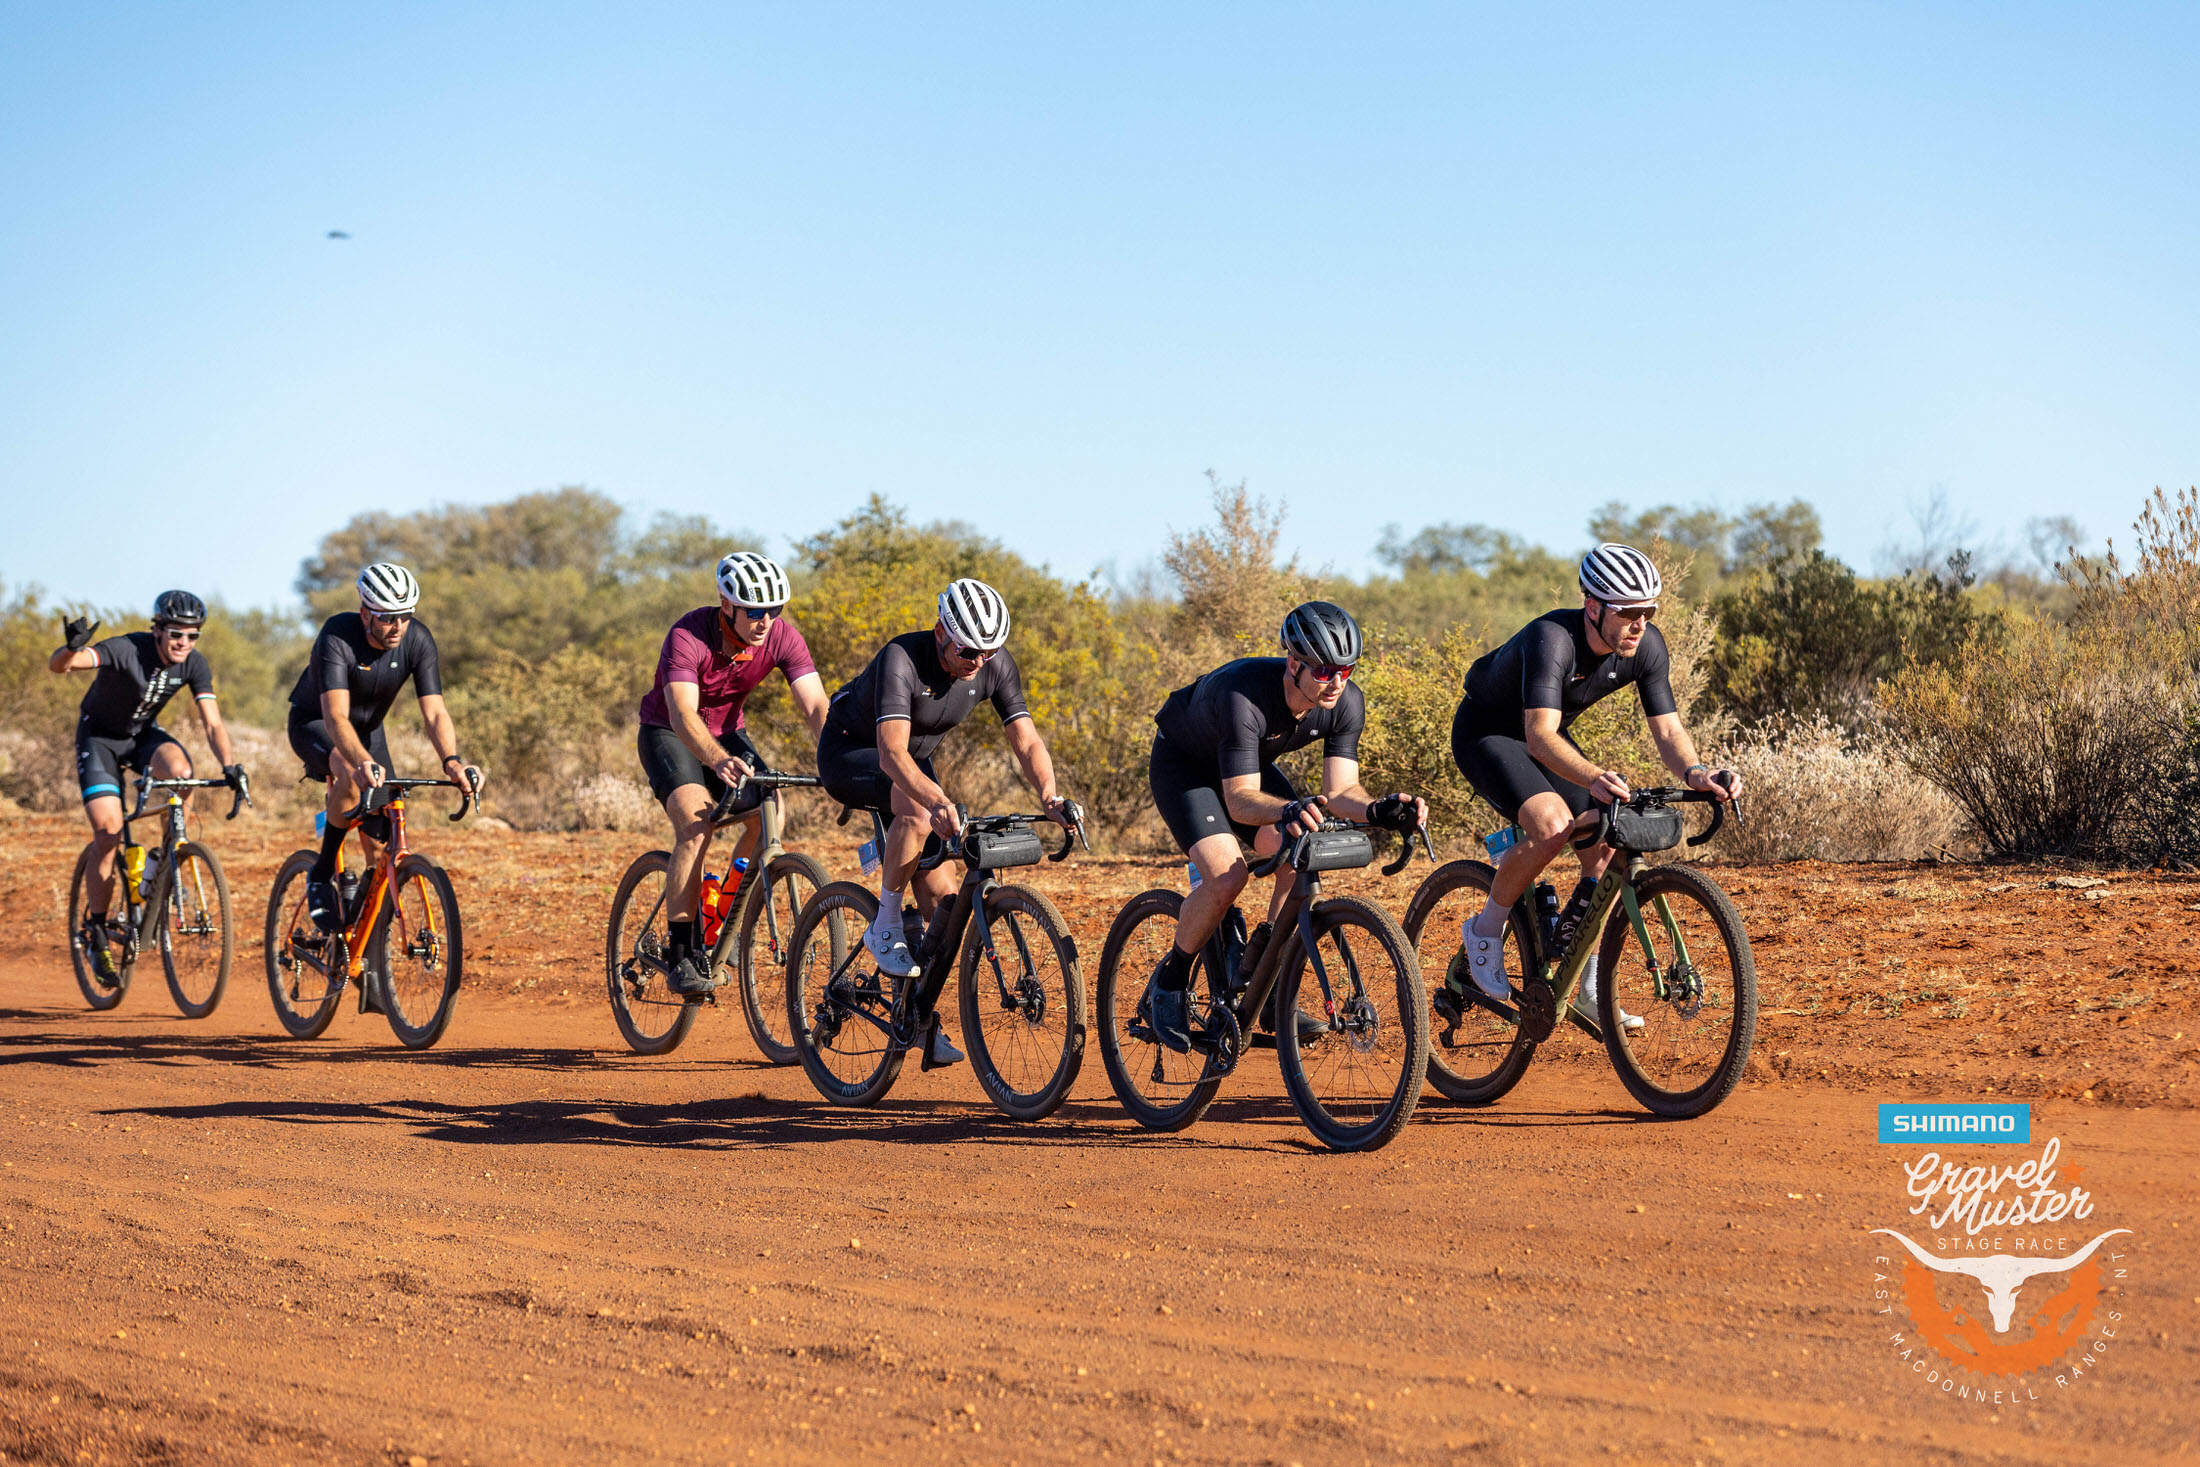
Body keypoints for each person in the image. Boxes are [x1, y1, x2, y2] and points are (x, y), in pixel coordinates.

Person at [1448, 543, 1741, 1028]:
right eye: (1628, 612)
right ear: (1593, 606)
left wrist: (1696, 773)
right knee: (1551, 824)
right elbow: (1539, 737)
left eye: (1648, 611)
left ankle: (1583, 987)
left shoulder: (1645, 647)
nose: (1640, 623)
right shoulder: (1553, 639)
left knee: (1606, 845)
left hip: (1543, 732)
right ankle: (1484, 931)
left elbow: (1667, 730)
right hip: (1488, 733)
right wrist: (1593, 776)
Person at [1142, 601, 1427, 1052]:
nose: (1335, 683)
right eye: (1323, 672)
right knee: (1227, 875)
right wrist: (1287, 810)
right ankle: (1170, 980)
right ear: (1293, 662)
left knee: (1300, 848)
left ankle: (1261, 975)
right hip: (1186, 766)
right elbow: (1238, 800)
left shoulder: (1345, 702)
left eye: (1346, 671)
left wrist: (1376, 810)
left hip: (1243, 766)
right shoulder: (1244, 696)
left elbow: (1340, 790)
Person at [814, 577, 1075, 1068]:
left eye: (989, 651)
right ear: (940, 632)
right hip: (853, 754)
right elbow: (891, 753)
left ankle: (917, 1017)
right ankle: (884, 924)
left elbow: (1027, 740)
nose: (978, 662)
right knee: (916, 811)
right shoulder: (902, 659)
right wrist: (936, 799)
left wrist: (1050, 794)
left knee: (944, 903)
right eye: (968, 651)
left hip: (912, 762)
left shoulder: (992, 664)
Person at [636, 552, 830, 996]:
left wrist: (836, 755)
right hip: (669, 732)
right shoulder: (689, 634)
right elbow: (683, 712)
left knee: (772, 816)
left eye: (774, 610)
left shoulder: (781, 637)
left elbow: (816, 706)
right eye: (755, 611)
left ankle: (725, 904)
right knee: (695, 823)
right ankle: (682, 951)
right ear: (727, 605)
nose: (766, 621)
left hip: (728, 731)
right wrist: (716, 759)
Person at [47, 590, 248, 985]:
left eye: (193, 637)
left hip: (142, 736)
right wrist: (69, 648)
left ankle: (161, 864)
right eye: (176, 634)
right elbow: (62, 667)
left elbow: (212, 723)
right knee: (109, 832)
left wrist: (230, 766)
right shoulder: (126, 649)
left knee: (182, 772)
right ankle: (98, 930)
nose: (184, 644)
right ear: (157, 630)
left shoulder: (193, 663)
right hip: (100, 740)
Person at [287, 563, 485, 932]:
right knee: (347, 771)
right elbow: (335, 718)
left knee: (381, 853)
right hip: (316, 724)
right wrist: (361, 761)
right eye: (386, 618)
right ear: (365, 613)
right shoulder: (337, 635)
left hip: (368, 731)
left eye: (405, 616)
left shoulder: (418, 639)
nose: (397, 628)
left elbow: (436, 712)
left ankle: (365, 944)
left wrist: (453, 762)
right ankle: (322, 871)